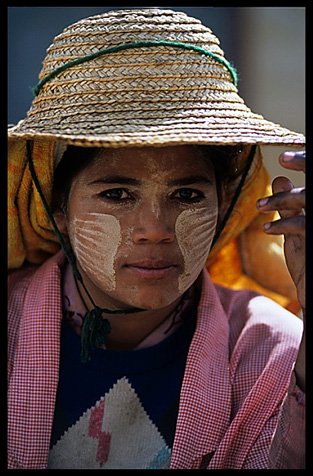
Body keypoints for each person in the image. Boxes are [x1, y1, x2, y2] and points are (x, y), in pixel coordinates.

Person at [8, 8, 305, 469]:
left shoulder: (272, 349)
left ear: (224, 205)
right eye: (117, 194)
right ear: (58, 208)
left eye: (186, 194)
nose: (155, 229)